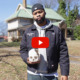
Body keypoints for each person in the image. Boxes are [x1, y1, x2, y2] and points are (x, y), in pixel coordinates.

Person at [19, 3, 70, 80]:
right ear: (33, 16)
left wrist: (64, 73)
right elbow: (23, 50)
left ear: (44, 12)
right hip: (33, 74)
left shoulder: (56, 31)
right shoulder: (28, 32)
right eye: (35, 13)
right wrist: (27, 59)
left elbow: (63, 52)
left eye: (40, 12)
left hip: (51, 75)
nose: (38, 15)